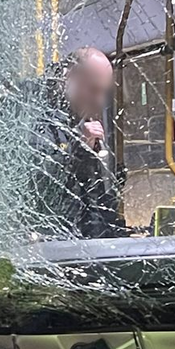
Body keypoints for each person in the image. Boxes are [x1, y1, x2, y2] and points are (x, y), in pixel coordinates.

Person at [30, 46, 124, 239]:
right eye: (93, 90)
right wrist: (77, 148)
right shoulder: (35, 110)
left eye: (103, 92)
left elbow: (89, 195)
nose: (99, 101)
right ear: (69, 78)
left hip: (80, 240)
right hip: (48, 242)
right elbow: (37, 184)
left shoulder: (78, 119)